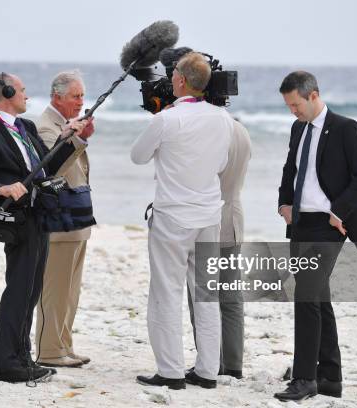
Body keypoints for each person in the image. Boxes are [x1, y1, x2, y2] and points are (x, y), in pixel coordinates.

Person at [0, 72, 89, 383]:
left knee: (32, 290)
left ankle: (23, 358)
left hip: (39, 217)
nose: (27, 95)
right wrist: (3, 189)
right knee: (18, 290)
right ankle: (7, 364)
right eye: (22, 90)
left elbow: (47, 167)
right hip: (16, 220)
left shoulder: (26, 127)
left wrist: (71, 137)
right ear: (7, 93)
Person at [131, 52, 234, 390]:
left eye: (174, 73)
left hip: (173, 216)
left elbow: (138, 156)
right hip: (208, 214)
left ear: (180, 80)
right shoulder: (223, 119)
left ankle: (171, 371)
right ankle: (207, 371)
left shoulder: (168, 119)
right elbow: (220, 163)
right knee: (206, 295)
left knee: (166, 293)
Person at [274, 71, 357, 401]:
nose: (293, 111)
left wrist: (339, 210)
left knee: (306, 296)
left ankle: (305, 379)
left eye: (296, 105)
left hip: (331, 226)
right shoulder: (297, 128)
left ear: (314, 95)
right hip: (301, 223)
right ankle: (330, 376)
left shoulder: (345, 128)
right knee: (317, 297)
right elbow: (291, 167)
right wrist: (284, 202)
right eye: (288, 106)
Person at [34, 71, 94, 368]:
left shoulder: (66, 123)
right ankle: (48, 351)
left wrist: (79, 136)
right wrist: (73, 138)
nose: (81, 102)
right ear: (57, 97)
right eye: (75, 96)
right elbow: (52, 167)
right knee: (55, 290)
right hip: (59, 220)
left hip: (77, 218)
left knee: (71, 292)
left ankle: (64, 345)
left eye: (83, 96)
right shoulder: (47, 125)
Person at [187, 118, 251, 379]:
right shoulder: (242, 132)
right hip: (232, 218)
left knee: (201, 296)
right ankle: (233, 364)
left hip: (207, 218)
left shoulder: (210, 133)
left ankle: (210, 361)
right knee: (230, 294)